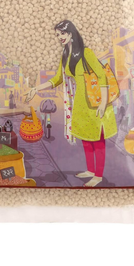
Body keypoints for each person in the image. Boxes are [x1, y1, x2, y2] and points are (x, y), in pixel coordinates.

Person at [25, 20, 118, 187]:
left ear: (71, 33)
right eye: (57, 34)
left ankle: (98, 176)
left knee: (98, 140)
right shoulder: (66, 55)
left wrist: (103, 103)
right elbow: (58, 79)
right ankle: (90, 170)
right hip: (79, 104)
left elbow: (101, 76)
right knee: (86, 138)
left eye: (62, 33)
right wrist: (35, 88)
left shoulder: (86, 52)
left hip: (94, 103)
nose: (60, 37)